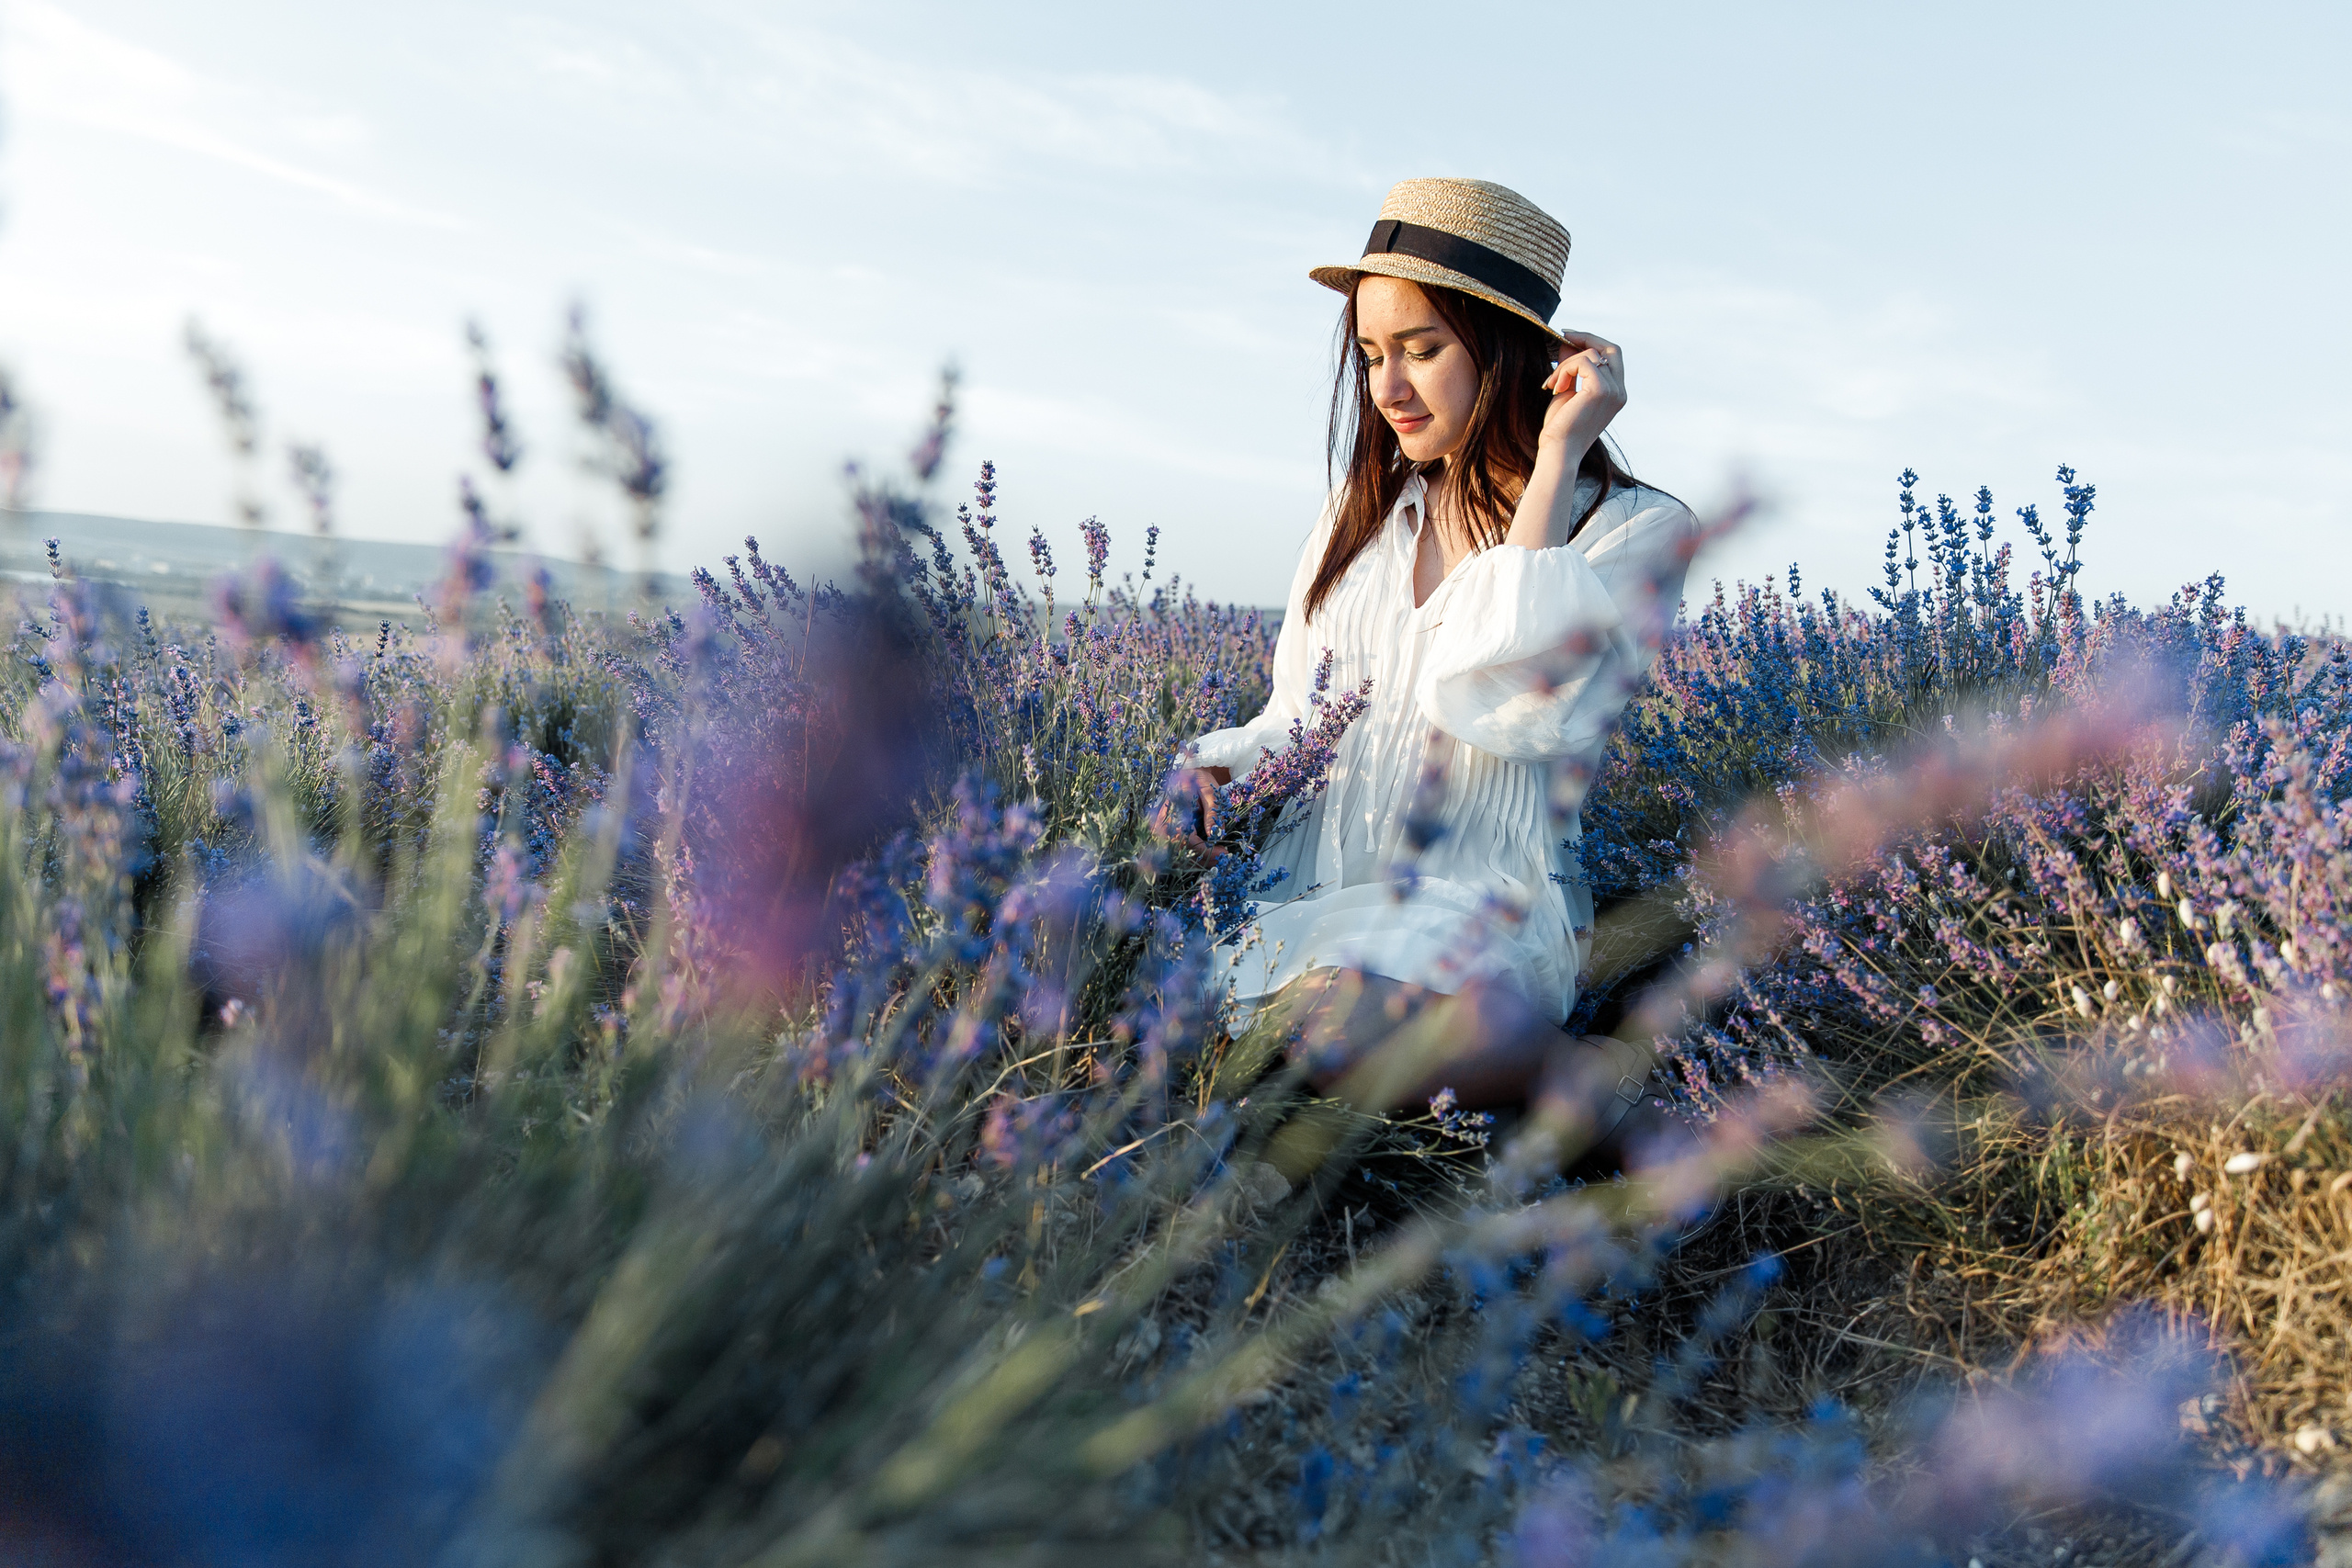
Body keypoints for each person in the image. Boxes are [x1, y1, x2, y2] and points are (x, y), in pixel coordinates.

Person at [1167, 177, 1700, 1171]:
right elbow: (1299, 712)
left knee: (1335, 1025)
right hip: (1309, 890)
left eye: (1422, 349)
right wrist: (1216, 769)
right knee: (1147, 999)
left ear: (1504, 351)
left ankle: (1572, 1086)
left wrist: (1551, 463)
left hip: (1477, 914)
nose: (1387, 389)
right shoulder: (1357, 520)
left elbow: (1520, 708)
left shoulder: (1631, 529)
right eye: (1370, 355)